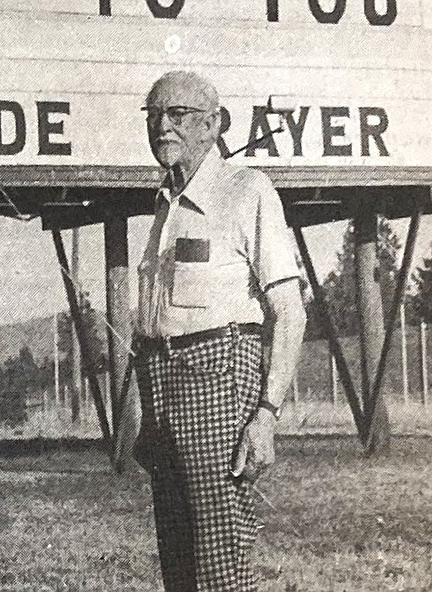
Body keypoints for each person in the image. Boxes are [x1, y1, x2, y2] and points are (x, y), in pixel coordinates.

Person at [130, 70, 306, 592]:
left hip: (217, 381)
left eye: (177, 115)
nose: (163, 126)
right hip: (161, 385)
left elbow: (290, 311)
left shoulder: (244, 190)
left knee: (221, 562)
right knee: (179, 564)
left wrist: (266, 417)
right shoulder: (166, 205)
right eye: (154, 115)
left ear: (213, 124)